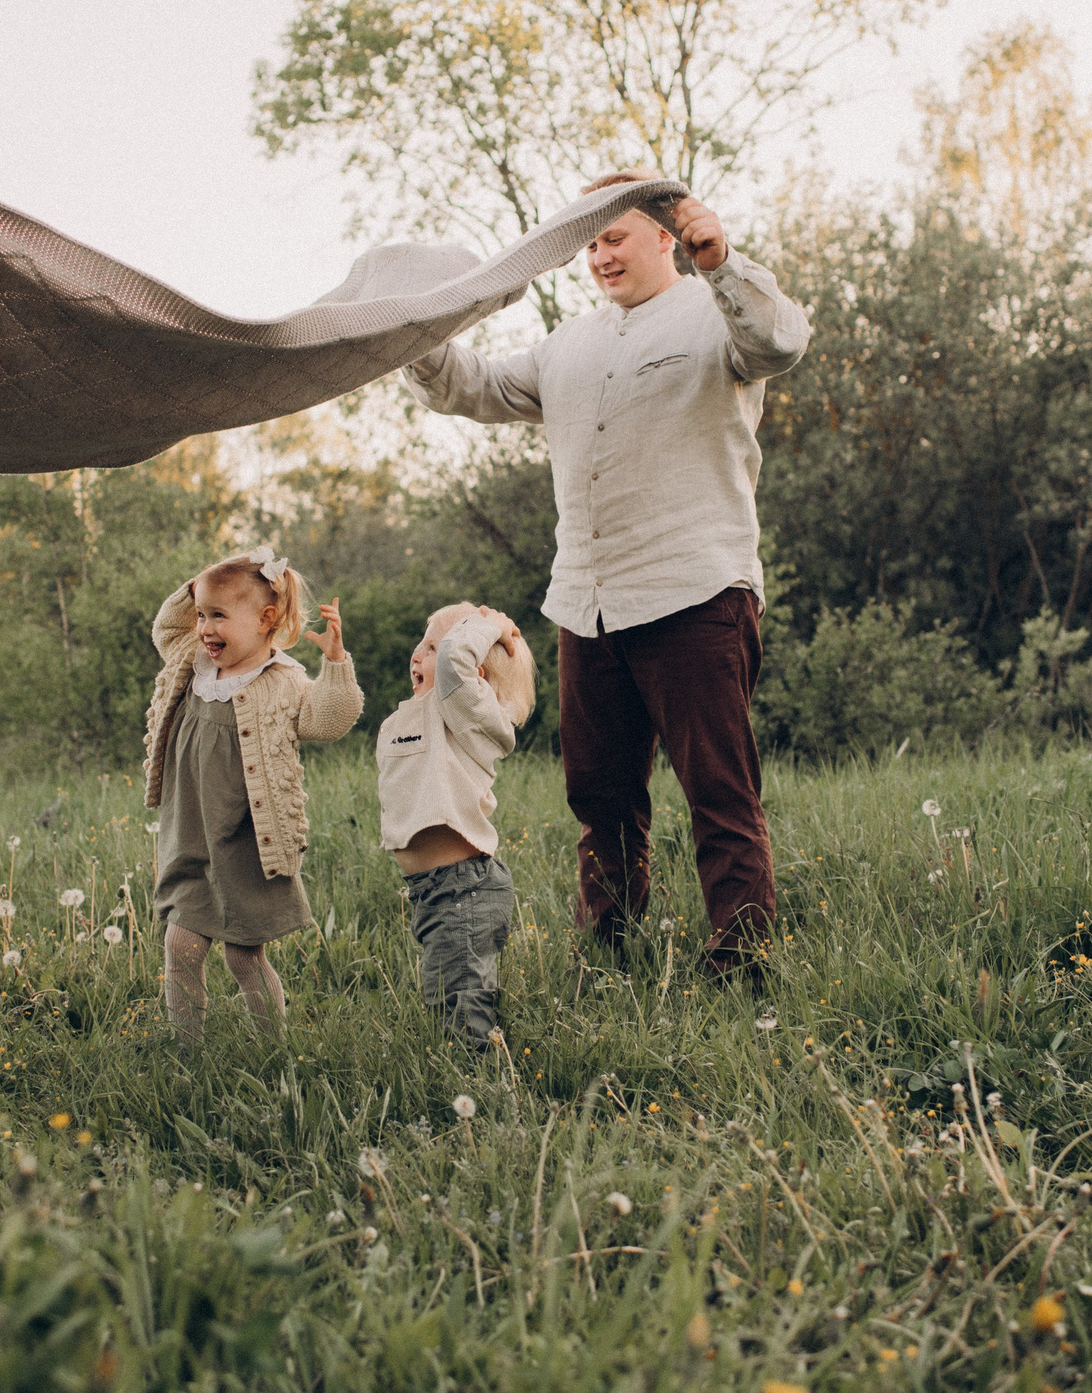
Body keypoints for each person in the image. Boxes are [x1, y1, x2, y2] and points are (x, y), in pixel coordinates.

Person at [404, 171, 810, 983]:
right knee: (600, 797)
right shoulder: (568, 345)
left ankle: (743, 964)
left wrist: (719, 257)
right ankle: (609, 951)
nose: (599, 256)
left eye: (614, 236)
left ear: (665, 235)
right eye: (589, 242)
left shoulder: (717, 312)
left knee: (719, 793)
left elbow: (779, 342)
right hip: (586, 605)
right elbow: (469, 384)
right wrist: (409, 329)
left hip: (696, 593)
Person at [142, 546, 360, 1039]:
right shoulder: (193, 661)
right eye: (201, 614)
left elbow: (328, 721)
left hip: (246, 840)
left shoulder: (283, 681)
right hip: (191, 831)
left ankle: (272, 1045)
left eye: (218, 616)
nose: (204, 628)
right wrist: (199, 584)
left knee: (243, 956)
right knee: (180, 946)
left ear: (266, 619)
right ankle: (186, 1050)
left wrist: (336, 662)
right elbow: (166, 628)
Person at [375, 602, 535, 1048]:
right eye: (421, 645)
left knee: (460, 1000)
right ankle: (466, 1066)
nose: (417, 655)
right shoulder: (421, 716)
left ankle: (479, 1077)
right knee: (446, 990)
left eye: (433, 648)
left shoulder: (471, 715)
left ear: (475, 677)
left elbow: (453, 665)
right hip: (431, 890)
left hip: (464, 887)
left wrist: (491, 625)